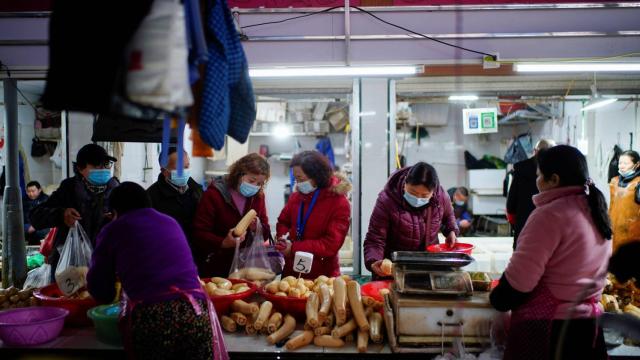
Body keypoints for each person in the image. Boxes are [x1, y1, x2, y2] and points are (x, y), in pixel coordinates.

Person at [490, 145, 611, 360]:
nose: (537, 181)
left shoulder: (550, 215)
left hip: (554, 334)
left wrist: (498, 300)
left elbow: (520, 282)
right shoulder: (596, 210)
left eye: (539, 175)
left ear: (553, 180)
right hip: (590, 330)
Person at [87, 182, 227, 360]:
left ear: (115, 212)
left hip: (153, 318)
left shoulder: (113, 229)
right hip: (196, 312)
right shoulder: (169, 222)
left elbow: (101, 290)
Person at [30, 143, 119, 282]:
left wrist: (119, 218)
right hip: (69, 264)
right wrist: (61, 215)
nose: (103, 169)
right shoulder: (69, 189)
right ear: (80, 168)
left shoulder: (116, 190)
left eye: (106, 164)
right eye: (96, 165)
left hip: (104, 262)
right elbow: (36, 216)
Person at [364, 162, 458, 279]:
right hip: (395, 269)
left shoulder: (440, 197)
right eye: (413, 193)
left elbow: (448, 216)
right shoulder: (387, 200)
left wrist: (451, 231)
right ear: (405, 183)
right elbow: (375, 239)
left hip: (429, 267)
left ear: (433, 192)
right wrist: (374, 261)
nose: (418, 198)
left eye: (424, 196)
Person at [192, 153, 271, 278]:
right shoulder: (213, 195)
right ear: (239, 174)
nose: (255, 186)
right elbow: (199, 234)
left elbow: (266, 232)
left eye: (260, 183)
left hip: (245, 266)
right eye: (252, 180)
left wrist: (257, 228)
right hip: (216, 266)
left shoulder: (258, 197)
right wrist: (223, 243)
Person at [275, 150, 351, 279]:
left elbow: (330, 244)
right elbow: (283, 221)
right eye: (295, 178)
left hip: (322, 275)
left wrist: (294, 248)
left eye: (300, 178)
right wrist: (282, 238)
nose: (297, 183)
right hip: (292, 273)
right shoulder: (296, 197)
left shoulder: (339, 202)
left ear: (316, 176)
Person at [506, 138, 556, 249]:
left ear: (535, 151)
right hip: (549, 232)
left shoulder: (521, 169)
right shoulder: (558, 173)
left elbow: (511, 204)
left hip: (523, 227)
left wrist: (516, 224)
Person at [147, 147, 203, 244]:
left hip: (195, 252)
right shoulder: (150, 197)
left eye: (187, 166)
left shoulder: (197, 191)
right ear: (164, 171)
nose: (185, 171)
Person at [609, 150, 640, 253]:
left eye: (626, 163)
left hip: (633, 233)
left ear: (637, 165)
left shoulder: (638, 183)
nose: (621, 166)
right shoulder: (614, 181)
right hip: (615, 230)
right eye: (620, 163)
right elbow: (612, 205)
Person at [22, 181, 50, 245]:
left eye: (33, 191)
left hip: (42, 226)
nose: (31, 194)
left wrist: (35, 226)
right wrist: (27, 227)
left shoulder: (46, 200)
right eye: (28, 191)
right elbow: (21, 216)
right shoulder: (23, 201)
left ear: (39, 190)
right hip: (27, 226)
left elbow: (47, 217)